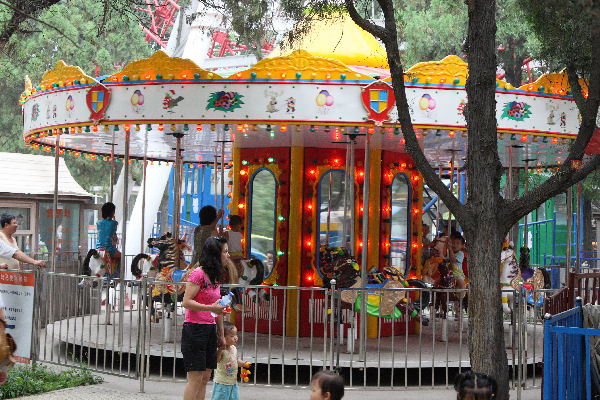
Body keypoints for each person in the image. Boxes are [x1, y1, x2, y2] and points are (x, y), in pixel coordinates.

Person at [181, 236, 229, 400]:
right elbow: (186, 302)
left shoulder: (215, 277)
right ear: (216, 254)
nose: (228, 255)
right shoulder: (197, 274)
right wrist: (211, 308)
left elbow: (218, 308)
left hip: (210, 330)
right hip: (194, 329)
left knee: (205, 378)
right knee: (195, 378)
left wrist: (222, 335)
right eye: (225, 252)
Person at [211, 321, 251, 400]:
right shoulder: (221, 351)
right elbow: (216, 360)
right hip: (222, 383)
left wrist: (244, 364)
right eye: (232, 336)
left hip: (233, 382)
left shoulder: (233, 348)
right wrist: (219, 350)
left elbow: (235, 360)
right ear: (223, 337)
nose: (236, 337)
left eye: (236, 334)